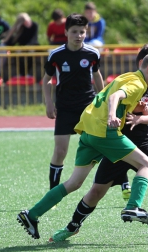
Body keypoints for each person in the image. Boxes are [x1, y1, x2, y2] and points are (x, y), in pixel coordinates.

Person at [16, 49, 148, 240]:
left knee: (74, 182)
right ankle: (133, 207)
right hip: (103, 131)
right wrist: (112, 115)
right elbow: (115, 97)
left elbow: (114, 94)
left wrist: (138, 108)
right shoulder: (138, 82)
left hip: (88, 129)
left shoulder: (127, 76)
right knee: (146, 164)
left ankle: (31, 215)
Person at [48, 42, 148, 243]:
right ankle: (72, 226)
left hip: (143, 144)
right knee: (96, 192)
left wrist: (142, 117)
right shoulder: (129, 82)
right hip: (117, 145)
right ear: (144, 64)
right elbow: (112, 99)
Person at [42, 14, 104, 193]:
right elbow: (47, 79)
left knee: (103, 145)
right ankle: (53, 192)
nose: (78, 35)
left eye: (82, 32)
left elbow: (97, 74)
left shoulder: (92, 53)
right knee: (60, 151)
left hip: (88, 106)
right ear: (66, 32)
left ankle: (123, 183)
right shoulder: (56, 55)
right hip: (65, 107)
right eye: (74, 32)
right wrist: (48, 103)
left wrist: (103, 97)